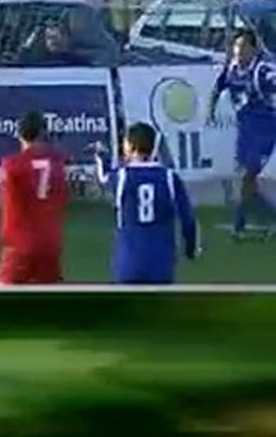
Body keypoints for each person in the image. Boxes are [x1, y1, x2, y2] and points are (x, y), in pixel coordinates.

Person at [95, 122, 199, 285]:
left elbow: (103, 178)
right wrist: (190, 249)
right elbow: (188, 220)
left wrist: (101, 157)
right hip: (161, 264)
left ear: (130, 146)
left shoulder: (122, 177)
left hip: (129, 262)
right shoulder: (170, 178)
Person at [207, 30, 276, 240]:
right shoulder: (232, 68)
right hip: (245, 128)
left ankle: (239, 224)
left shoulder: (262, 71)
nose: (239, 51)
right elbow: (218, 87)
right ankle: (269, 217)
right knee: (246, 179)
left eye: (244, 46)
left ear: (254, 49)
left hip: (266, 128)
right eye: (236, 46)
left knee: (248, 176)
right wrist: (210, 110)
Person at [0, 111, 69, 285]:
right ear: (43, 133)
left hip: (20, 243)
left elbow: (7, 202)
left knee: (1, 299)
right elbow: (63, 199)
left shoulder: (12, 165)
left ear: (20, 134)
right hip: (49, 243)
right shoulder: (57, 162)